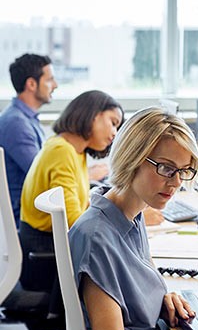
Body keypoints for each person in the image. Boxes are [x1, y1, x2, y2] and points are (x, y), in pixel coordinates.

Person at [69, 107, 198, 330]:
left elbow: (136, 278)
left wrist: (161, 295)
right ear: (132, 158)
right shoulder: (96, 236)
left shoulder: (131, 212)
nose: (176, 182)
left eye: (183, 170)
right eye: (166, 168)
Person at [19, 90, 124, 292]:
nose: (115, 133)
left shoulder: (74, 151)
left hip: (52, 250)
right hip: (44, 258)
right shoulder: (62, 151)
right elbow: (75, 222)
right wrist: (122, 218)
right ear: (93, 114)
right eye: (113, 122)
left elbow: (81, 207)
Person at [0, 53, 58, 225]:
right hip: (25, 219)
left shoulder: (25, 119)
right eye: (50, 80)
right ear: (31, 84)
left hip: (31, 210)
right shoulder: (16, 123)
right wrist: (85, 175)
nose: (55, 85)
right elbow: (42, 175)